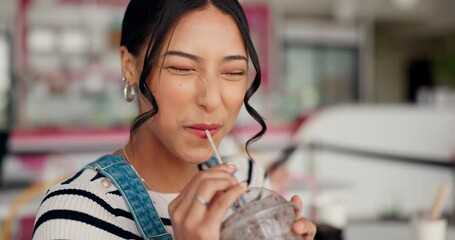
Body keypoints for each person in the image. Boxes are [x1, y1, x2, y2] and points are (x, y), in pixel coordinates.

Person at [32, 0, 317, 239]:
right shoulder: (76, 215)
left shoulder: (248, 182)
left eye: (232, 72)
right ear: (129, 67)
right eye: (182, 68)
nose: (212, 99)